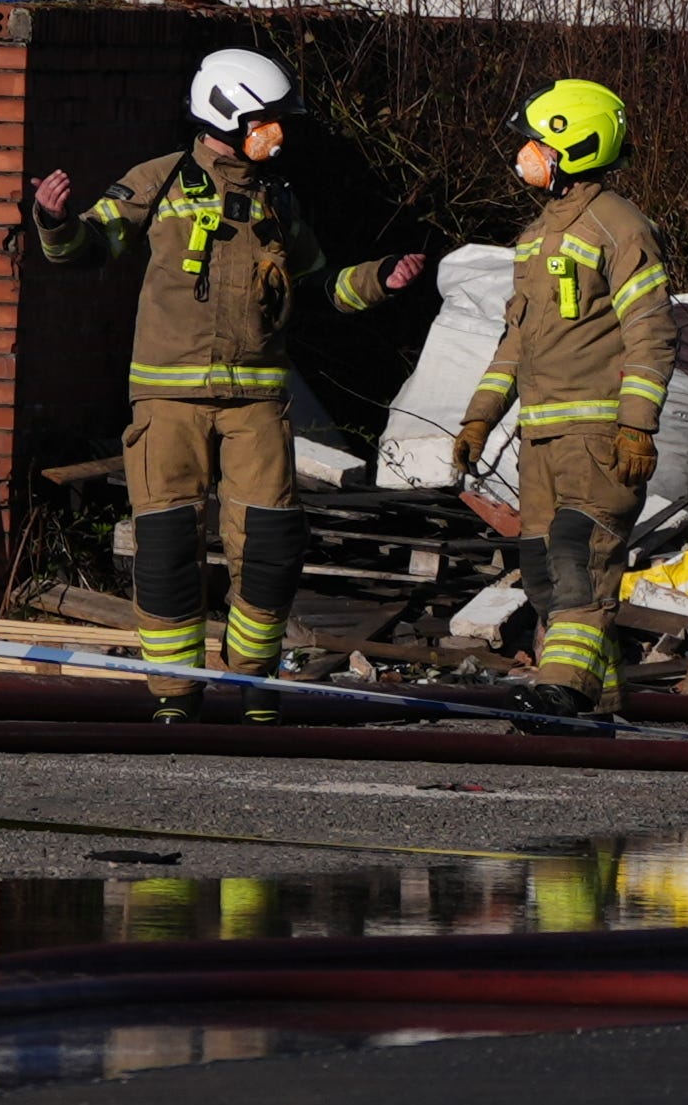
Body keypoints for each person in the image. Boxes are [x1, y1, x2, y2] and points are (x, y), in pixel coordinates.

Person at [28, 44, 425, 712]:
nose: (277, 132)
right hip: (169, 402)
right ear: (229, 112)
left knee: (269, 548)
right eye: (266, 118)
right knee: (166, 548)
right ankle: (175, 696)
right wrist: (53, 222)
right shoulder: (158, 182)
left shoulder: (276, 200)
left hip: (257, 405)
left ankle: (254, 688)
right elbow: (90, 247)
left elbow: (319, 287)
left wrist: (379, 279)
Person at [445, 76, 673, 706]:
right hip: (540, 438)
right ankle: (600, 701)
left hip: (598, 437)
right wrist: (478, 420)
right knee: (545, 577)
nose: (524, 154)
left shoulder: (619, 227)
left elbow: (653, 331)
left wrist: (637, 424)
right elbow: (515, 343)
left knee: (581, 561)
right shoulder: (537, 235)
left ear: (574, 146)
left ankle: (561, 692)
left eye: (536, 142)